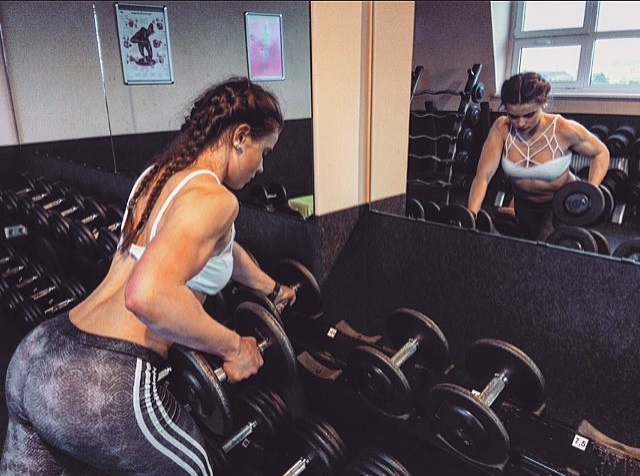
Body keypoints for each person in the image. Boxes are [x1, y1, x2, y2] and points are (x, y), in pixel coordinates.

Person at [0, 77, 297, 475]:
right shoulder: (217, 200)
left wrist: (272, 288)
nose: (262, 167)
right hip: (102, 376)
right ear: (241, 136)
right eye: (264, 152)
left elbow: (218, 249)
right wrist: (233, 347)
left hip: (39, 353)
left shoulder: (159, 177)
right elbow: (146, 296)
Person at [467, 72, 610, 241]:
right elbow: (483, 175)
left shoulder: (563, 129)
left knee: (546, 247)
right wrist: (471, 216)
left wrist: (590, 191)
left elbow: (601, 153)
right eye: (513, 115)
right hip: (524, 206)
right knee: (524, 248)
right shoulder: (501, 128)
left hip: (560, 205)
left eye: (529, 115)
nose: (520, 123)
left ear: (543, 103)